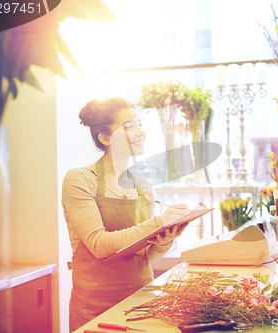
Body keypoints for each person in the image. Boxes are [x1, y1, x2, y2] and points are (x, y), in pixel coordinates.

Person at [62, 97, 190, 332]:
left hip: (141, 299)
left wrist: (165, 238)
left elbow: (146, 254)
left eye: (140, 123)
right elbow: (99, 245)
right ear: (105, 138)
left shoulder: (143, 185)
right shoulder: (80, 180)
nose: (141, 132)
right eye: (130, 126)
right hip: (94, 306)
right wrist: (159, 222)